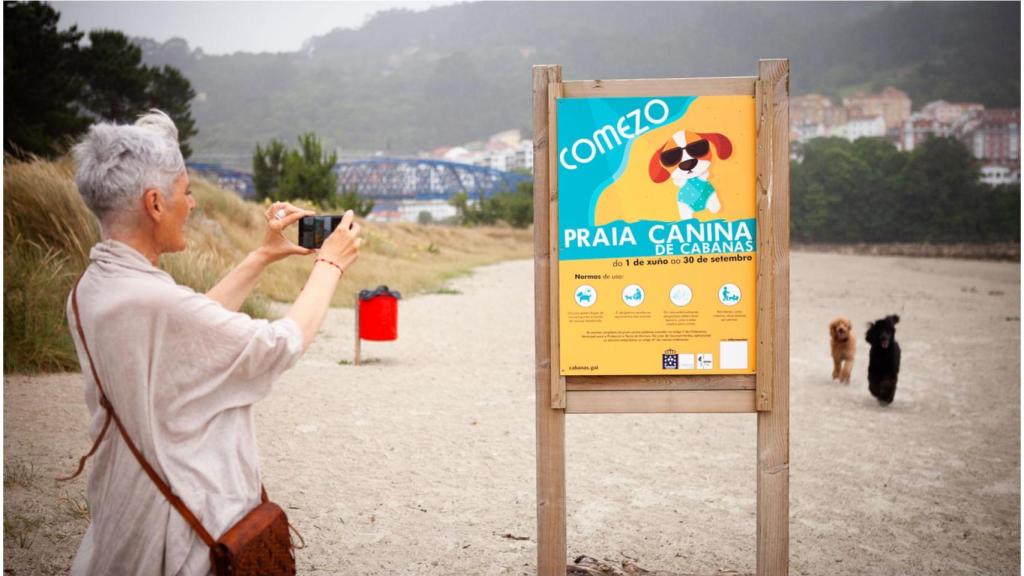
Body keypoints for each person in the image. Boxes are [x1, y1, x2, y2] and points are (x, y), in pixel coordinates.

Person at [65, 110, 360, 575]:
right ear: (155, 203)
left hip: (124, 514)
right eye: (186, 192)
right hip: (177, 533)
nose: (194, 204)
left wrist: (261, 255)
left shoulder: (94, 289)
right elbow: (279, 343)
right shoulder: (153, 302)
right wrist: (331, 265)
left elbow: (190, 325)